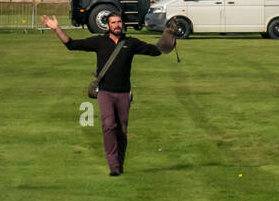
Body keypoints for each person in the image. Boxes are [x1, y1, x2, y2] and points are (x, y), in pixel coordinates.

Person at [41, 13, 178, 176]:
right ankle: (113, 165)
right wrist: (57, 29)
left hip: (124, 93)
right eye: (113, 22)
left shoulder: (131, 43)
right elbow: (71, 44)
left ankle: (119, 164)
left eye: (119, 22)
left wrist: (169, 33)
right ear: (108, 26)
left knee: (121, 130)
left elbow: (156, 51)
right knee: (108, 125)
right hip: (105, 92)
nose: (117, 24)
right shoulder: (99, 42)